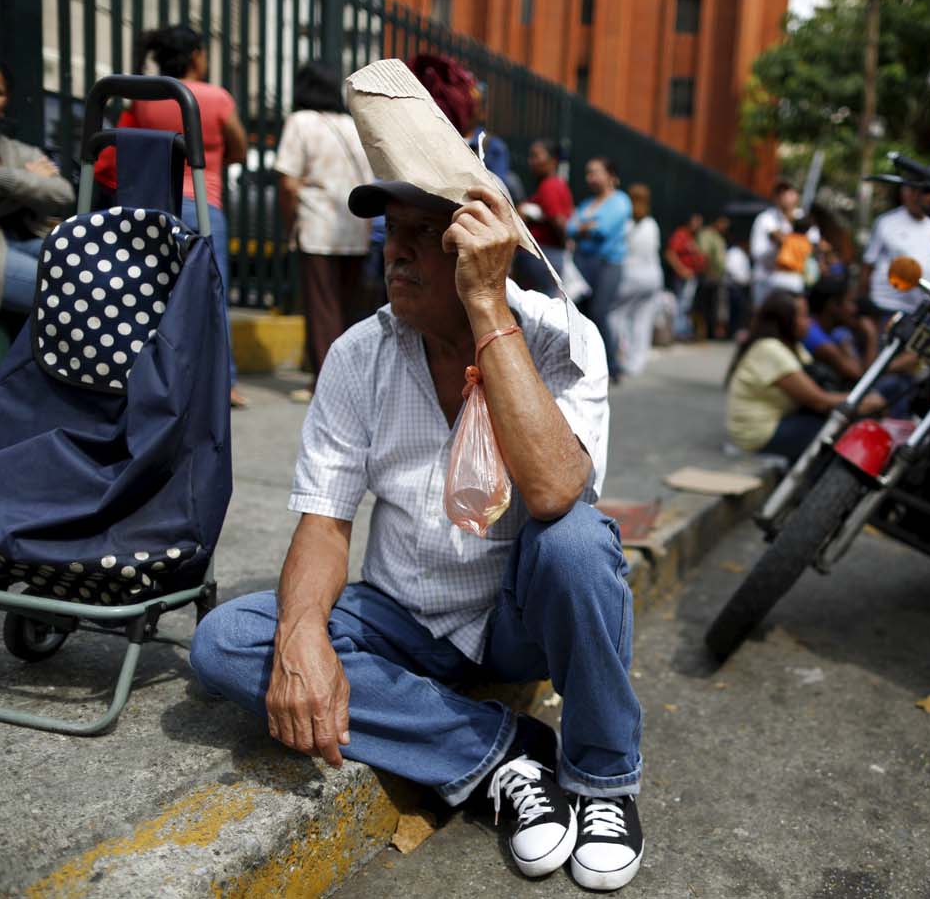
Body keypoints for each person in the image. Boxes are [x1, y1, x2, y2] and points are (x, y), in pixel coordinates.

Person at [189, 177, 645, 890]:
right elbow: (325, 520)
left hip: (514, 623)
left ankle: (602, 778)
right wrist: (304, 631)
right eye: (390, 232)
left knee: (580, 543)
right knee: (231, 640)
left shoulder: (563, 335)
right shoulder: (357, 355)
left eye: (425, 235)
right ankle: (503, 753)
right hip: (402, 614)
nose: (394, 253)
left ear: (485, 245)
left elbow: (557, 492)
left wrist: (487, 305)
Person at [130, 25, 248, 407]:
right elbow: (240, 149)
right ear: (197, 55)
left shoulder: (147, 97)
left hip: (155, 203)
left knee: (155, 294)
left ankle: (151, 376)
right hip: (203, 205)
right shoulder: (217, 98)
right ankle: (223, 385)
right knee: (211, 297)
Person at [274, 61, 374, 402]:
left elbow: (288, 183)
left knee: (322, 308)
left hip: (317, 226)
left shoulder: (300, 122)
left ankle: (326, 385)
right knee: (347, 308)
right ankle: (349, 382)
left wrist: (291, 225)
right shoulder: (354, 126)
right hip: (355, 226)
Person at [0, 45, 74, 315]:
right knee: (68, 298)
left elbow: (62, 193)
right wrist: (28, 182)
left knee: (84, 267)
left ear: (6, 101)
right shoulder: (24, 160)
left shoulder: (17, 151)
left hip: (15, 242)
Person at [725, 290, 884, 462]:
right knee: (838, 432)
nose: (809, 322)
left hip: (780, 421)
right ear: (785, 321)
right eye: (803, 316)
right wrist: (863, 401)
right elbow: (818, 400)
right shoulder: (771, 350)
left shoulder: (793, 347)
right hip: (757, 433)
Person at [568, 156, 632, 382]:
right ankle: (583, 363)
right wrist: (586, 227)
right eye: (588, 173)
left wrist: (584, 228)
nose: (590, 178)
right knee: (580, 312)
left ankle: (612, 366)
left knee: (599, 312)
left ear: (610, 175)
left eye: (595, 172)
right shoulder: (587, 204)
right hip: (583, 262)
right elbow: (570, 227)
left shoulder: (621, 201)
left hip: (608, 264)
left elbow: (603, 229)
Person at [860, 183, 930, 324]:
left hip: (919, 312)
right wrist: (864, 303)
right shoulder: (886, 222)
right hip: (885, 306)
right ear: (904, 193)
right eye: (913, 191)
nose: (917, 197)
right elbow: (868, 264)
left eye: (924, 192)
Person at [613, 184, 664, 376]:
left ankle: (622, 357)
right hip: (653, 277)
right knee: (643, 320)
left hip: (630, 275)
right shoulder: (652, 224)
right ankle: (637, 363)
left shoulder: (626, 224)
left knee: (619, 317)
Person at [515, 139, 573, 294]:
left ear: (553, 160)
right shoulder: (554, 184)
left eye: (536, 156)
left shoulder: (550, 186)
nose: (531, 161)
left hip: (544, 254)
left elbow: (559, 221)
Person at [748, 181, 799, 306]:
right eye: (780, 193)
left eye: (788, 192)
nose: (785, 196)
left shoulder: (803, 218)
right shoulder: (765, 219)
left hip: (792, 282)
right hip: (766, 281)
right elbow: (758, 253)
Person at [664, 212, 706, 338]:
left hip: (692, 276)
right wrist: (681, 269)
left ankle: (683, 330)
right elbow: (670, 254)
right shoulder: (680, 235)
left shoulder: (693, 237)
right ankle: (679, 331)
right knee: (681, 304)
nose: (698, 224)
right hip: (683, 278)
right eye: (696, 221)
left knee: (687, 305)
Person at [694, 215, 729, 340]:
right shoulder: (707, 235)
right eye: (723, 223)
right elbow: (704, 255)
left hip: (718, 276)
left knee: (717, 304)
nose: (725, 227)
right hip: (709, 275)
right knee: (705, 305)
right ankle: (703, 332)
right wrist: (709, 271)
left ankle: (714, 331)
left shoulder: (719, 236)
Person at [723, 235, 752, 337]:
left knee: (739, 310)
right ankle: (732, 332)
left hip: (741, 287)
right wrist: (742, 280)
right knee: (734, 311)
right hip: (734, 286)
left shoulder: (742, 254)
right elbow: (731, 269)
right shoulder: (734, 253)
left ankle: (735, 331)